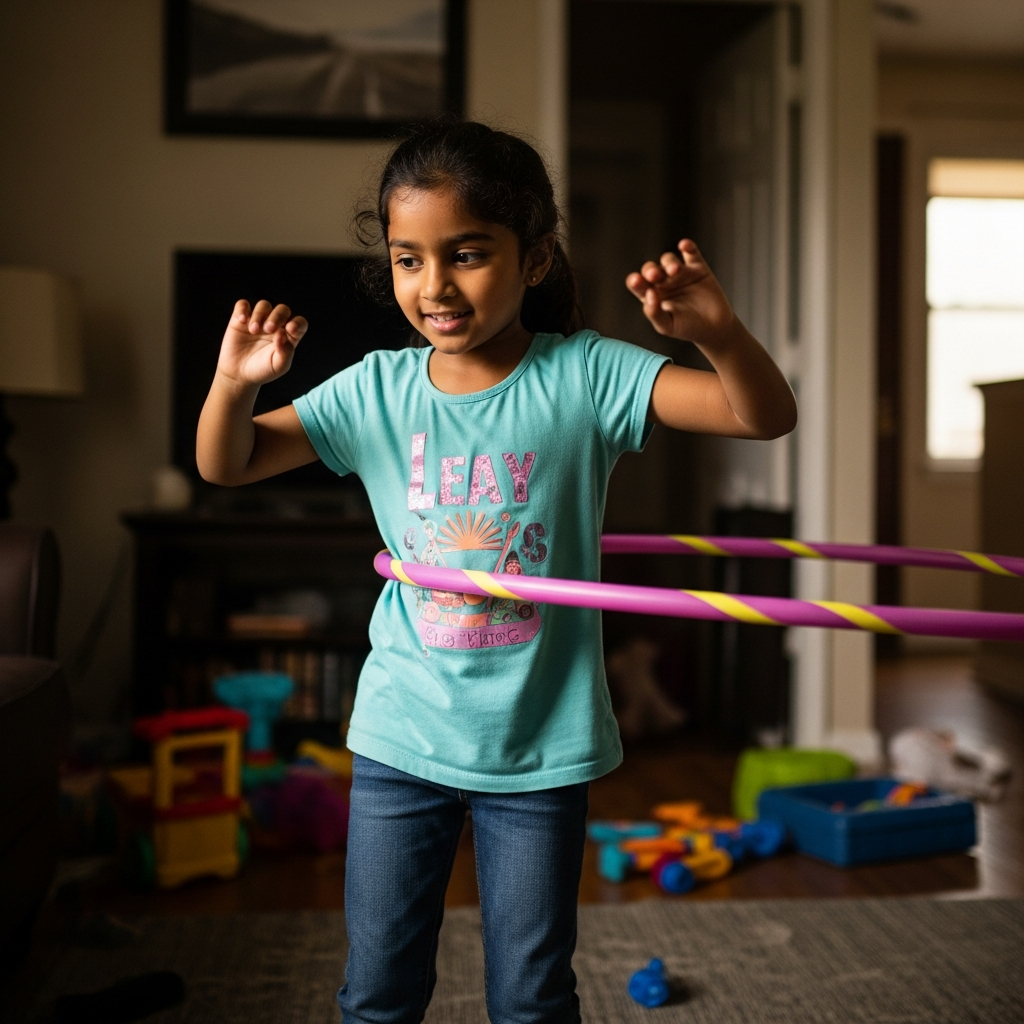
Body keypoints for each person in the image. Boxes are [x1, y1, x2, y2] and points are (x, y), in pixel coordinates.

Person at [196, 118, 796, 1024]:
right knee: (377, 990)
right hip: (403, 735)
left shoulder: (587, 376)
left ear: (537, 258)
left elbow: (762, 417)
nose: (434, 285)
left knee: (530, 995)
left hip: (541, 746)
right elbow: (227, 463)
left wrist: (719, 333)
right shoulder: (375, 391)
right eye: (408, 259)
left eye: (467, 253)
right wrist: (235, 383)